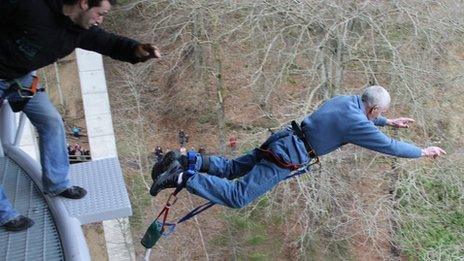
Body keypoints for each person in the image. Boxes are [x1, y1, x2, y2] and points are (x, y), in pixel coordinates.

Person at [0, 0, 161, 231]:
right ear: (84, 3)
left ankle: (57, 183)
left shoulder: (78, 31)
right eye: (100, 13)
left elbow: (109, 42)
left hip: (20, 80)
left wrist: (136, 50)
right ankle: (4, 214)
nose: (100, 20)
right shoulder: (31, 7)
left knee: (51, 122)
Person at [150, 86, 446, 209]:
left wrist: (389, 121)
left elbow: (361, 123)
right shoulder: (358, 122)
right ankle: (182, 176)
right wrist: (422, 151)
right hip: (287, 156)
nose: (377, 118)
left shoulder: (347, 101)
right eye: (379, 114)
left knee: (231, 168)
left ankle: (186, 161)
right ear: (372, 110)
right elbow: (391, 148)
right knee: (239, 196)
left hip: (282, 139)